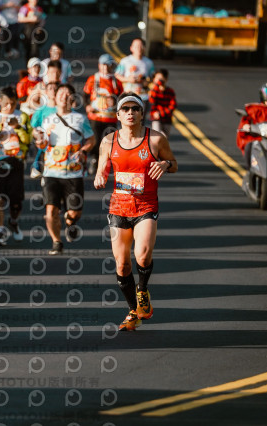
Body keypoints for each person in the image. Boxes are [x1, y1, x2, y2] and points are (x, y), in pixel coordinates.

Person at [93, 92, 177, 332]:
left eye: (135, 109)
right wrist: (100, 177)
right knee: (122, 265)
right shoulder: (108, 141)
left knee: (142, 255)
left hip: (145, 205)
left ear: (141, 114)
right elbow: (102, 168)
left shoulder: (155, 139)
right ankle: (133, 311)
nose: (130, 113)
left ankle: (142, 290)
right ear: (118, 115)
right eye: (125, 109)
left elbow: (174, 164)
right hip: (119, 207)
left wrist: (164, 164)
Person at [33, 83, 95, 255]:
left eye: (68, 93)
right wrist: (40, 142)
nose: (63, 96)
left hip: (73, 172)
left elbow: (91, 140)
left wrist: (83, 151)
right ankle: (56, 241)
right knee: (51, 210)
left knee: (75, 212)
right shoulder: (48, 119)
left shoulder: (80, 119)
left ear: (72, 98)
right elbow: (42, 143)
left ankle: (70, 222)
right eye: (61, 92)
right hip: (51, 171)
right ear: (55, 96)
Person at [0, 86, 32, 245]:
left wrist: (18, 128)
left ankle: (13, 221)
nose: (9, 107)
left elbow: (28, 139)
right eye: (6, 104)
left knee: (16, 200)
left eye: (13, 103)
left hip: (16, 161)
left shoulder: (22, 116)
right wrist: (1, 125)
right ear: (0, 101)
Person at [83, 53, 122, 175]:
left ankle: (106, 164)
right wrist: (87, 106)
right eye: (103, 65)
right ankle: (94, 160)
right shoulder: (93, 79)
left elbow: (121, 98)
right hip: (95, 117)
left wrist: (115, 104)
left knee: (109, 142)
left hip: (110, 118)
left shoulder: (116, 82)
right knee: (95, 140)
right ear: (99, 65)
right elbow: (85, 95)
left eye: (108, 65)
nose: (106, 68)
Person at [115, 38, 155, 116]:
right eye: (136, 46)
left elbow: (153, 77)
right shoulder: (125, 61)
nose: (139, 48)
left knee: (140, 120)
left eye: (141, 46)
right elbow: (117, 75)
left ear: (144, 48)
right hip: (128, 95)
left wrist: (146, 81)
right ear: (131, 48)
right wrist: (128, 79)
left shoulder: (149, 62)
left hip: (143, 96)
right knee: (127, 118)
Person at [148, 68, 176, 137]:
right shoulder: (153, 91)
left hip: (167, 118)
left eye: (160, 79)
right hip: (156, 118)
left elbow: (173, 106)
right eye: (157, 79)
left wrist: (161, 113)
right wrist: (157, 86)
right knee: (158, 136)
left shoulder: (170, 91)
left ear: (165, 79)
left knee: (165, 138)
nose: (159, 81)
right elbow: (152, 100)